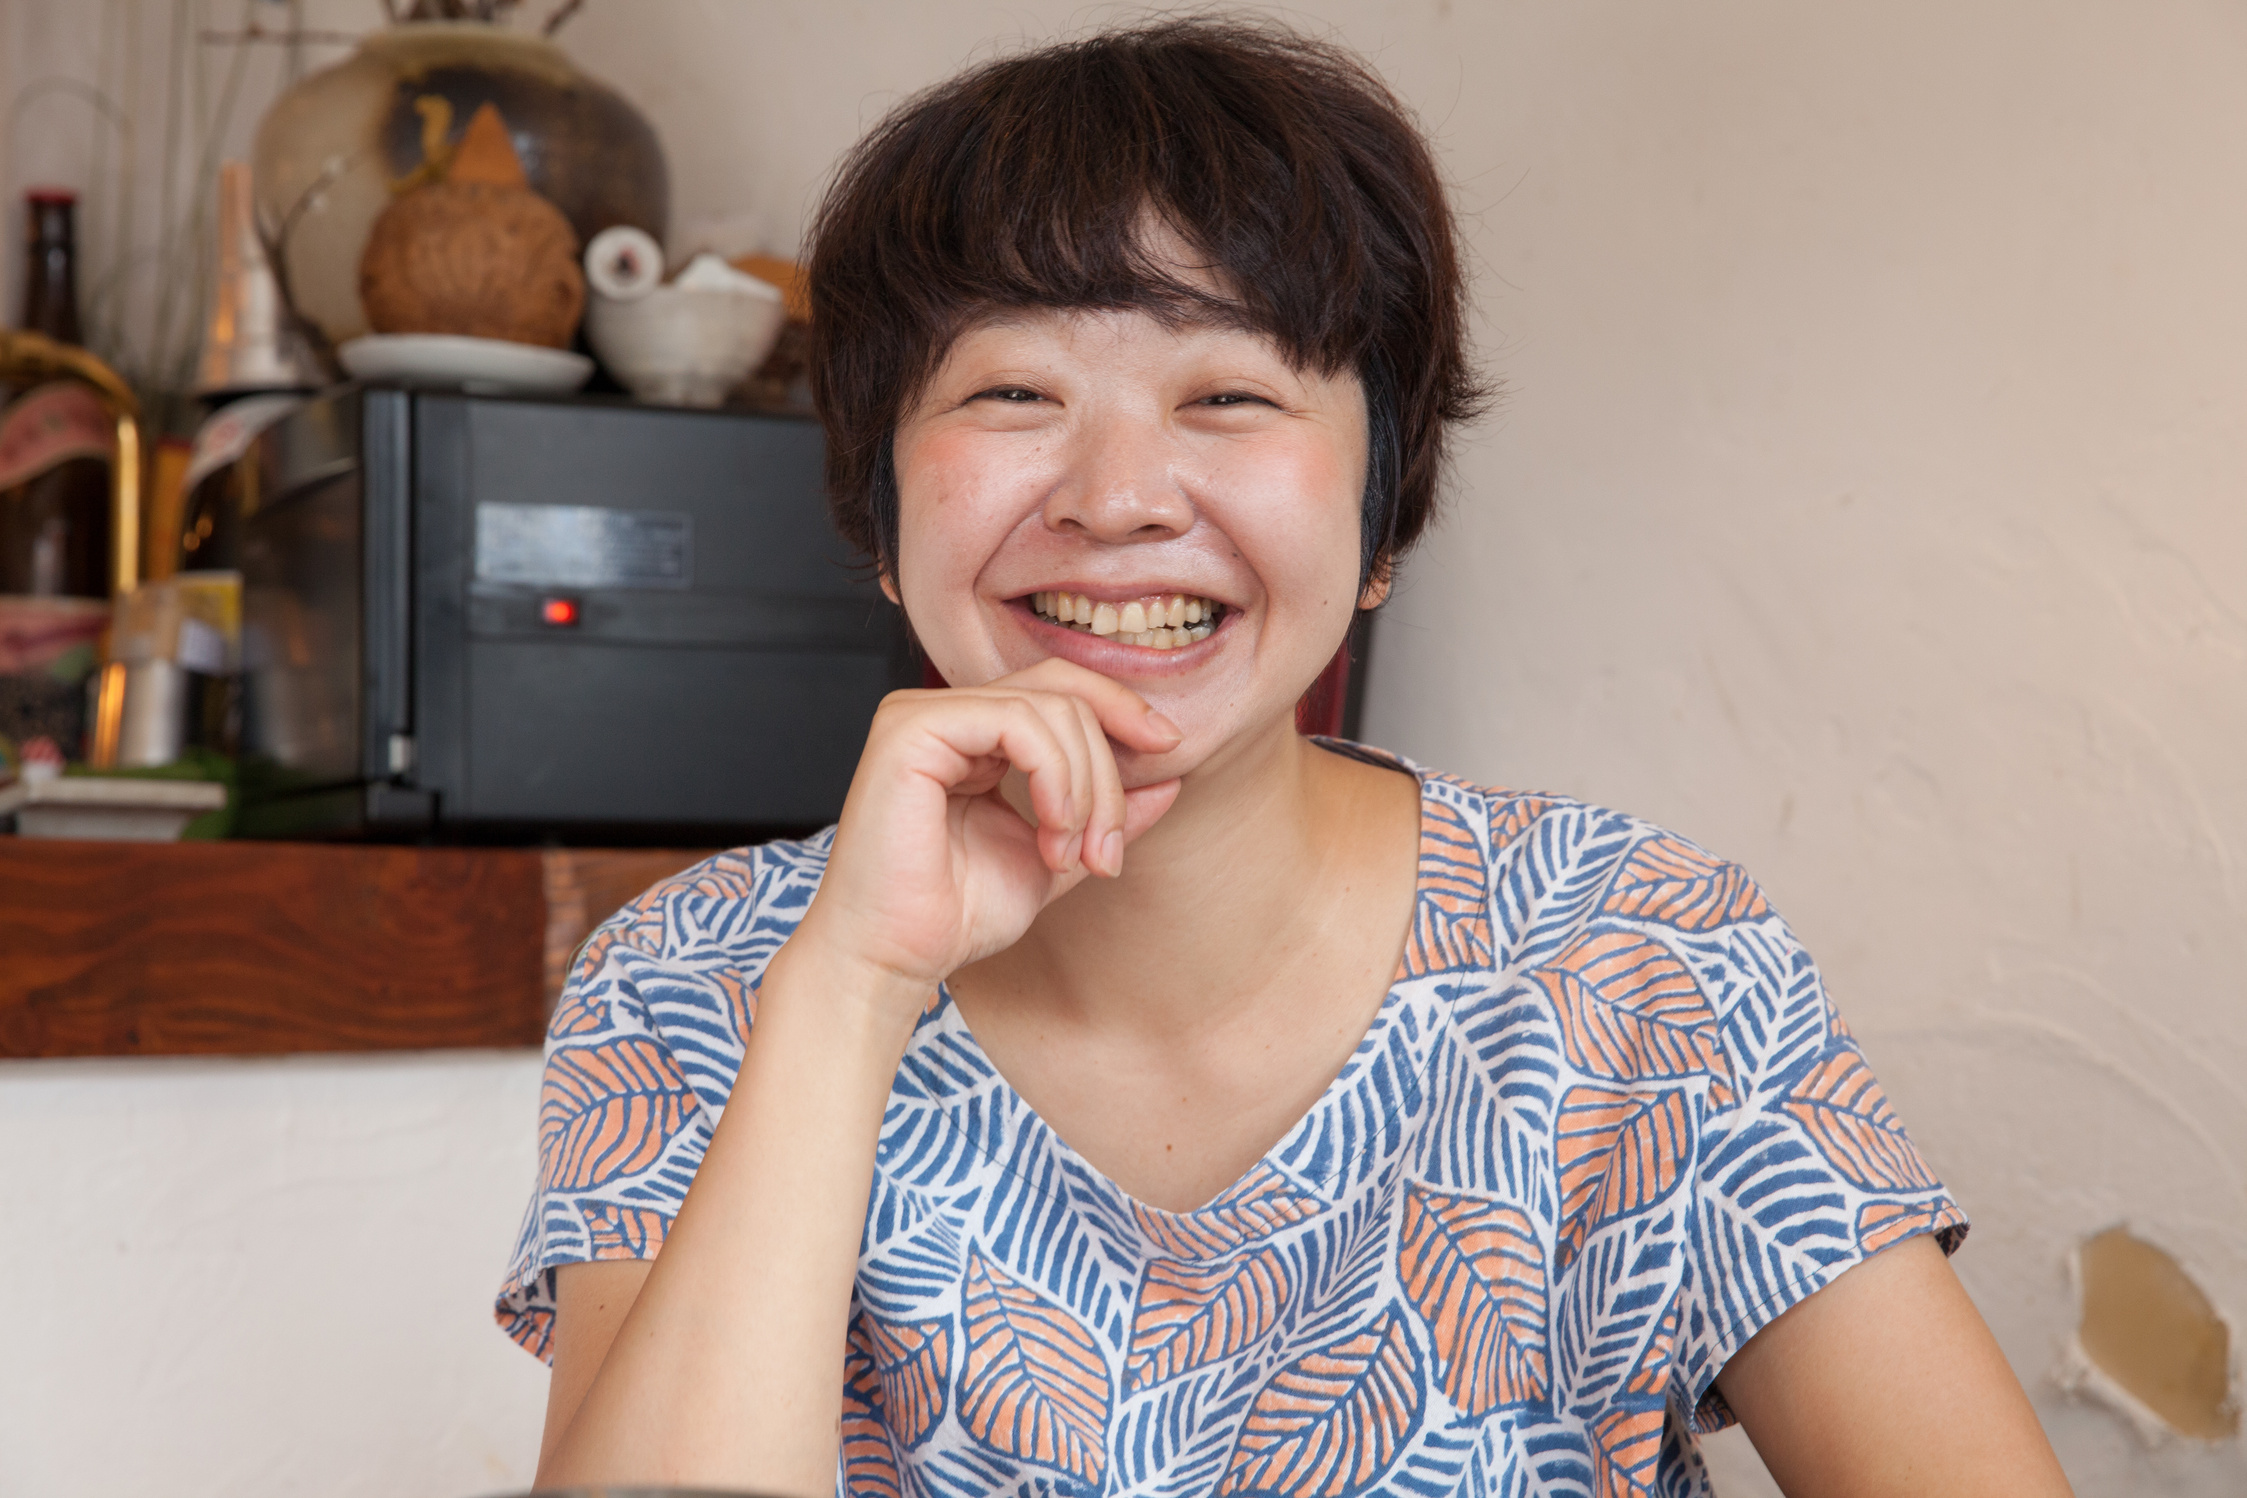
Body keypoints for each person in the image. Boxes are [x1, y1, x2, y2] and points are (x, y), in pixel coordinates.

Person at [499, 19, 2074, 1498]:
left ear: (1382, 515)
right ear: (882, 515)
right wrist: (848, 989)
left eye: (1230, 392)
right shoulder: (691, 984)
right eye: (1013, 391)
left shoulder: (1643, 959)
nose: (1117, 497)